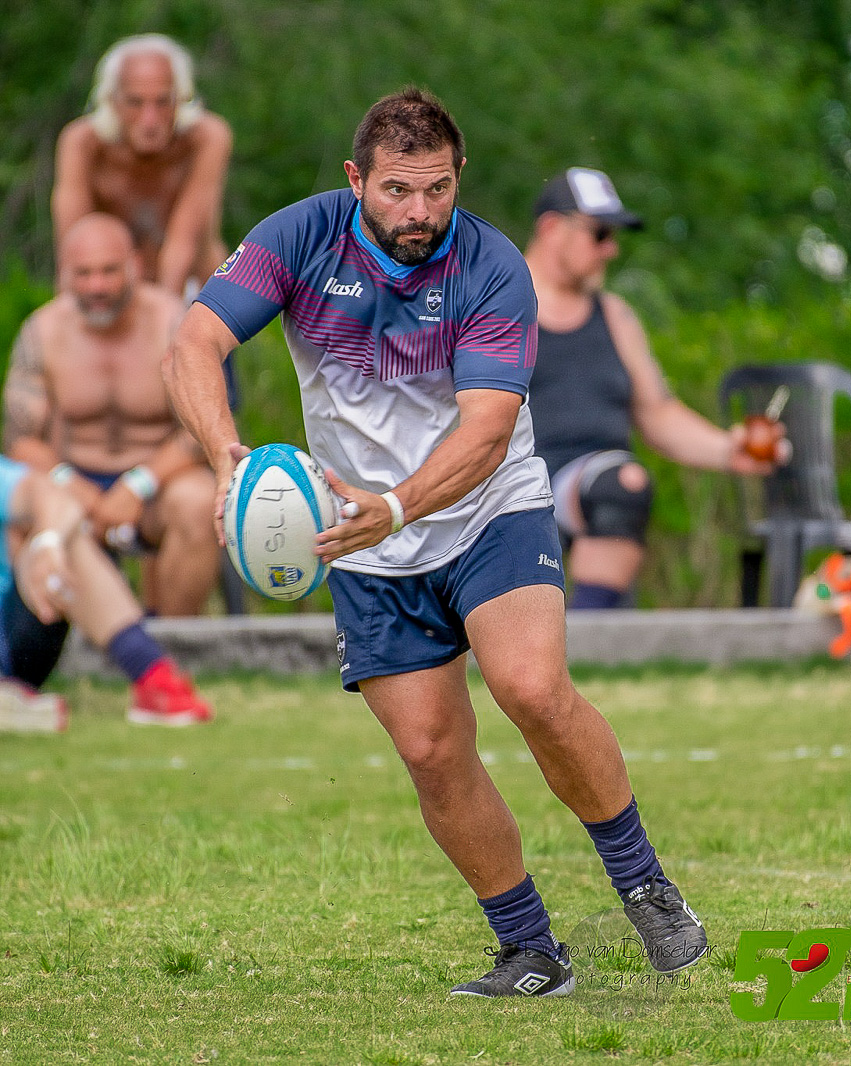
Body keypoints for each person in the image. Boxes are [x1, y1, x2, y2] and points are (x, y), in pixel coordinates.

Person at [164, 88, 707, 997]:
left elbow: (489, 430)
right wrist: (227, 457)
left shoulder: (492, 265)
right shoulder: (299, 238)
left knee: (530, 686)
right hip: (362, 537)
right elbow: (193, 340)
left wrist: (401, 504)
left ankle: (644, 883)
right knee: (428, 748)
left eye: (437, 189)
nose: (419, 212)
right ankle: (530, 949)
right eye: (397, 191)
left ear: (460, 180)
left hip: (485, 505)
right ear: (356, 181)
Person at [522, 167, 781, 609]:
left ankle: (584, 635)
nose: (611, 249)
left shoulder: (615, 315)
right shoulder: (497, 308)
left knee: (623, 483)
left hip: (593, 481)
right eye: (599, 234)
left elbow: (658, 412)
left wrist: (727, 449)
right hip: (514, 481)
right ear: (551, 229)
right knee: (619, 480)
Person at [4, 214, 220, 617]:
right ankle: (39, 648)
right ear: (65, 274)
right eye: (83, 274)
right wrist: (73, 486)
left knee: (198, 501)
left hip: (155, 486)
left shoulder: (174, 323)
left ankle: (174, 653)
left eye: (108, 271)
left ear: (134, 265)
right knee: (18, 505)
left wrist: (137, 485)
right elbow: (19, 440)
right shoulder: (43, 331)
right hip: (69, 482)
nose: (96, 286)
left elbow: (200, 431)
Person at [0, 455, 212, 732]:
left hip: (16, 638)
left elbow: (51, 495)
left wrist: (48, 544)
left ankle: (152, 675)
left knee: (62, 537)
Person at [53, 33, 233, 297]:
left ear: (180, 98)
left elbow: (183, 242)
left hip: (193, 286)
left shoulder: (206, 137)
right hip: (111, 290)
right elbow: (73, 243)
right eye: (135, 102)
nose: (150, 121)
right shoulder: (83, 143)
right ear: (113, 100)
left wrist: (164, 319)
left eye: (162, 102)